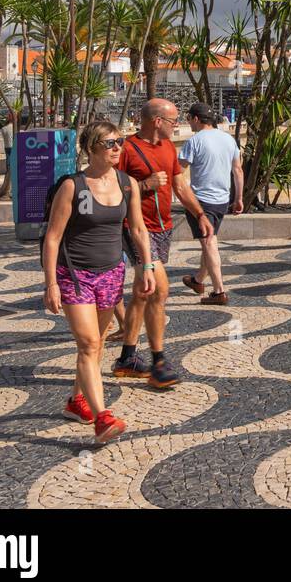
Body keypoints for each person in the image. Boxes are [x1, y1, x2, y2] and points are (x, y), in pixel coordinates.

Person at [42, 120, 152, 444]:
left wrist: (146, 265)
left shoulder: (127, 184)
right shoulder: (73, 187)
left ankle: (77, 402)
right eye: (110, 143)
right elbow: (52, 238)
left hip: (111, 272)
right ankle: (102, 418)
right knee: (89, 343)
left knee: (98, 343)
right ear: (91, 148)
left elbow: (138, 229)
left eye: (119, 142)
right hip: (75, 274)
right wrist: (50, 283)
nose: (118, 147)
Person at [113, 98, 213, 387]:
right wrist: (145, 186)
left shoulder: (169, 147)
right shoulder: (127, 150)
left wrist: (200, 214)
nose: (177, 125)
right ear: (157, 121)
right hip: (135, 228)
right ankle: (159, 361)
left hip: (162, 228)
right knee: (158, 290)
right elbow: (109, 190)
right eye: (173, 121)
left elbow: (180, 186)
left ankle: (127, 357)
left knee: (142, 292)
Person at [178, 103, 243, 306]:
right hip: (222, 200)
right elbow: (238, 170)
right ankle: (198, 280)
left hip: (201, 201)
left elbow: (178, 172)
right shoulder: (228, 139)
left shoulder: (194, 141)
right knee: (209, 240)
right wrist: (239, 198)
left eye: (189, 118)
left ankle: (219, 291)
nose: (188, 122)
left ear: (196, 119)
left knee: (209, 242)